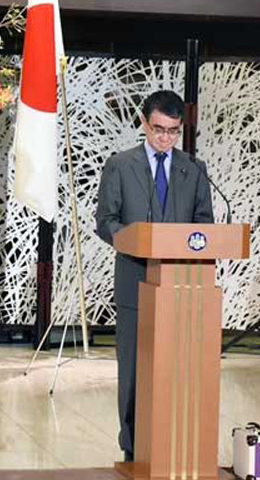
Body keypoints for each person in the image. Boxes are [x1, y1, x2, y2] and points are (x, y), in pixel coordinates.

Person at [94, 90, 214, 462]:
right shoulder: (121, 164)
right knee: (133, 368)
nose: (165, 138)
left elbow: (204, 225)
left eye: (173, 131)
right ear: (145, 124)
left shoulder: (193, 169)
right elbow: (106, 221)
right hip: (135, 280)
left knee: (176, 367)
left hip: (181, 286)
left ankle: (172, 439)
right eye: (159, 129)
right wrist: (135, 240)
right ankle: (133, 446)